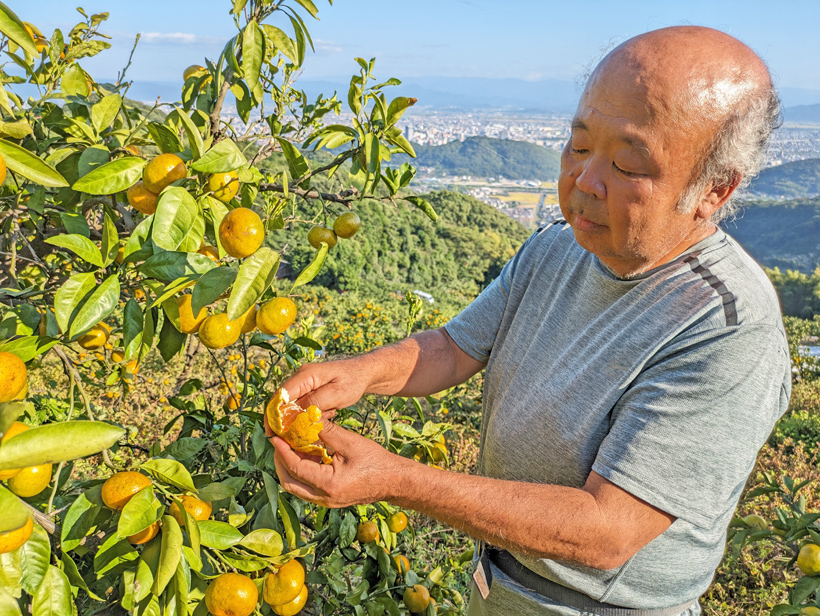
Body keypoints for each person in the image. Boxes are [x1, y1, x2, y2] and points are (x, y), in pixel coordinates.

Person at [269, 26, 792, 616]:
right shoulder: (557, 249)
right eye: (579, 145)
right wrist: (362, 372)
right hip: (499, 583)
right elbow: (456, 345)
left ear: (713, 190)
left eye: (626, 163)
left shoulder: (725, 329)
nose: (584, 181)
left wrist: (395, 479)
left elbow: (607, 531)